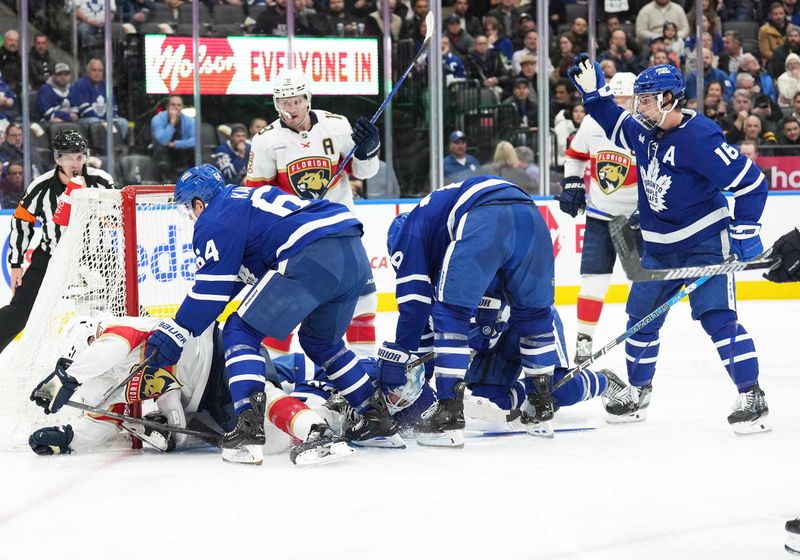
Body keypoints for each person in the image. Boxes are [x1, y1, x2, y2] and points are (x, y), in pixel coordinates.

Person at [143, 164, 402, 463]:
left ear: (199, 202)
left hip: (310, 251)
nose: (190, 216)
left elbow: (211, 291)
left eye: (189, 208)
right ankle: (376, 418)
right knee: (322, 343)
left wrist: (177, 329)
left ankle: (249, 429)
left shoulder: (213, 220)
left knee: (240, 330)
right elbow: (230, 284)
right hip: (351, 250)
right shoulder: (242, 202)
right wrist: (189, 324)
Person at [568, 54, 770, 434]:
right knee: (641, 321)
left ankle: (752, 395)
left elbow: (752, 183)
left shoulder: (701, 138)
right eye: (638, 99)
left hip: (705, 245)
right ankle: (639, 393)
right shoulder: (644, 129)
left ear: (669, 99)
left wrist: (744, 231)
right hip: (657, 249)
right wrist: (594, 96)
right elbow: (613, 120)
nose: (637, 106)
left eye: (645, 99)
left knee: (718, 319)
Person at [377, 175, 559, 446]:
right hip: (530, 214)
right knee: (536, 315)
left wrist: (401, 354)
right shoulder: (440, 228)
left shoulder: (409, 233)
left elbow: (415, 306)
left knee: (450, 314)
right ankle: (541, 409)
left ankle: (448, 417)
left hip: (485, 215)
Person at [27, 316, 352, 465]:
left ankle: (319, 427)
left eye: (84, 351)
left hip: (218, 351)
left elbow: (107, 351)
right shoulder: (102, 380)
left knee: (260, 394)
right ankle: (332, 415)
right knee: (270, 441)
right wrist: (68, 438)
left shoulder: (117, 331)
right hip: (204, 396)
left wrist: (67, 377)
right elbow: (102, 420)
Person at [245, 69, 380, 357]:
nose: (290, 109)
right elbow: (258, 197)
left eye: (295, 101)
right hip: (297, 239)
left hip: (342, 232)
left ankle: (366, 374)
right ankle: (276, 381)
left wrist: (368, 150)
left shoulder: (337, 126)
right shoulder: (265, 140)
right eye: (283, 102)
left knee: (364, 304)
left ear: (307, 99)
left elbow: (364, 172)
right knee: (283, 309)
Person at [0, 130, 115, 354]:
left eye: (80, 156)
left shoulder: (101, 181)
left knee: (121, 304)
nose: (76, 162)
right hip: (51, 257)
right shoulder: (40, 187)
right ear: (58, 159)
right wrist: (15, 263)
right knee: (20, 313)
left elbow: (115, 216)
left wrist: (93, 202)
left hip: (95, 256)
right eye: (70, 157)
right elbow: (21, 223)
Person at [559, 72, 639, 364]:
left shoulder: (645, 125)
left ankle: (641, 336)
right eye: (614, 97)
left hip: (636, 221)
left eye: (625, 98)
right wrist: (572, 184)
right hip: (600, 217)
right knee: (593, 282)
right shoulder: (592, 122)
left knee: (642, 284)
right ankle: (583, 339)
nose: (619, 103)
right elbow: (576, 155)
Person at [69, 59, 129, 139]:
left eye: (100, 70)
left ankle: (116, 147)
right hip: (85, 120)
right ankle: (98, 149)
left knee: (123, 122)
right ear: (88, 71)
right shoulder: (80, 85)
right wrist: (103, 121)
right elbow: (85, 110)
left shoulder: (106, 86)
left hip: (104, 120)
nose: (97, 73)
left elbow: (113, 106)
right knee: (95, 122)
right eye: (94, 70)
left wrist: (111, 119)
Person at [151, 95, 195, 183]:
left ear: (182, 107)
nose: (176, 108)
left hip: (182, 153)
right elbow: (162, 141)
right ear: (167, 107)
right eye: (173, 105)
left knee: (194, 151)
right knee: (161, 149)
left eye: (179, 105)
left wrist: (175, 144)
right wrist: (172, 123)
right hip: (164, 155)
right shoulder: (157, 119)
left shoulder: (189, 120)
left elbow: (195, 140)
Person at [0, 29, 21, 96]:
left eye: (16, 41)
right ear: (4, 41)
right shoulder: (1, 56)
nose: (13, 43)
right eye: (10, 40)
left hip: (18, 92)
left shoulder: (19, 58)